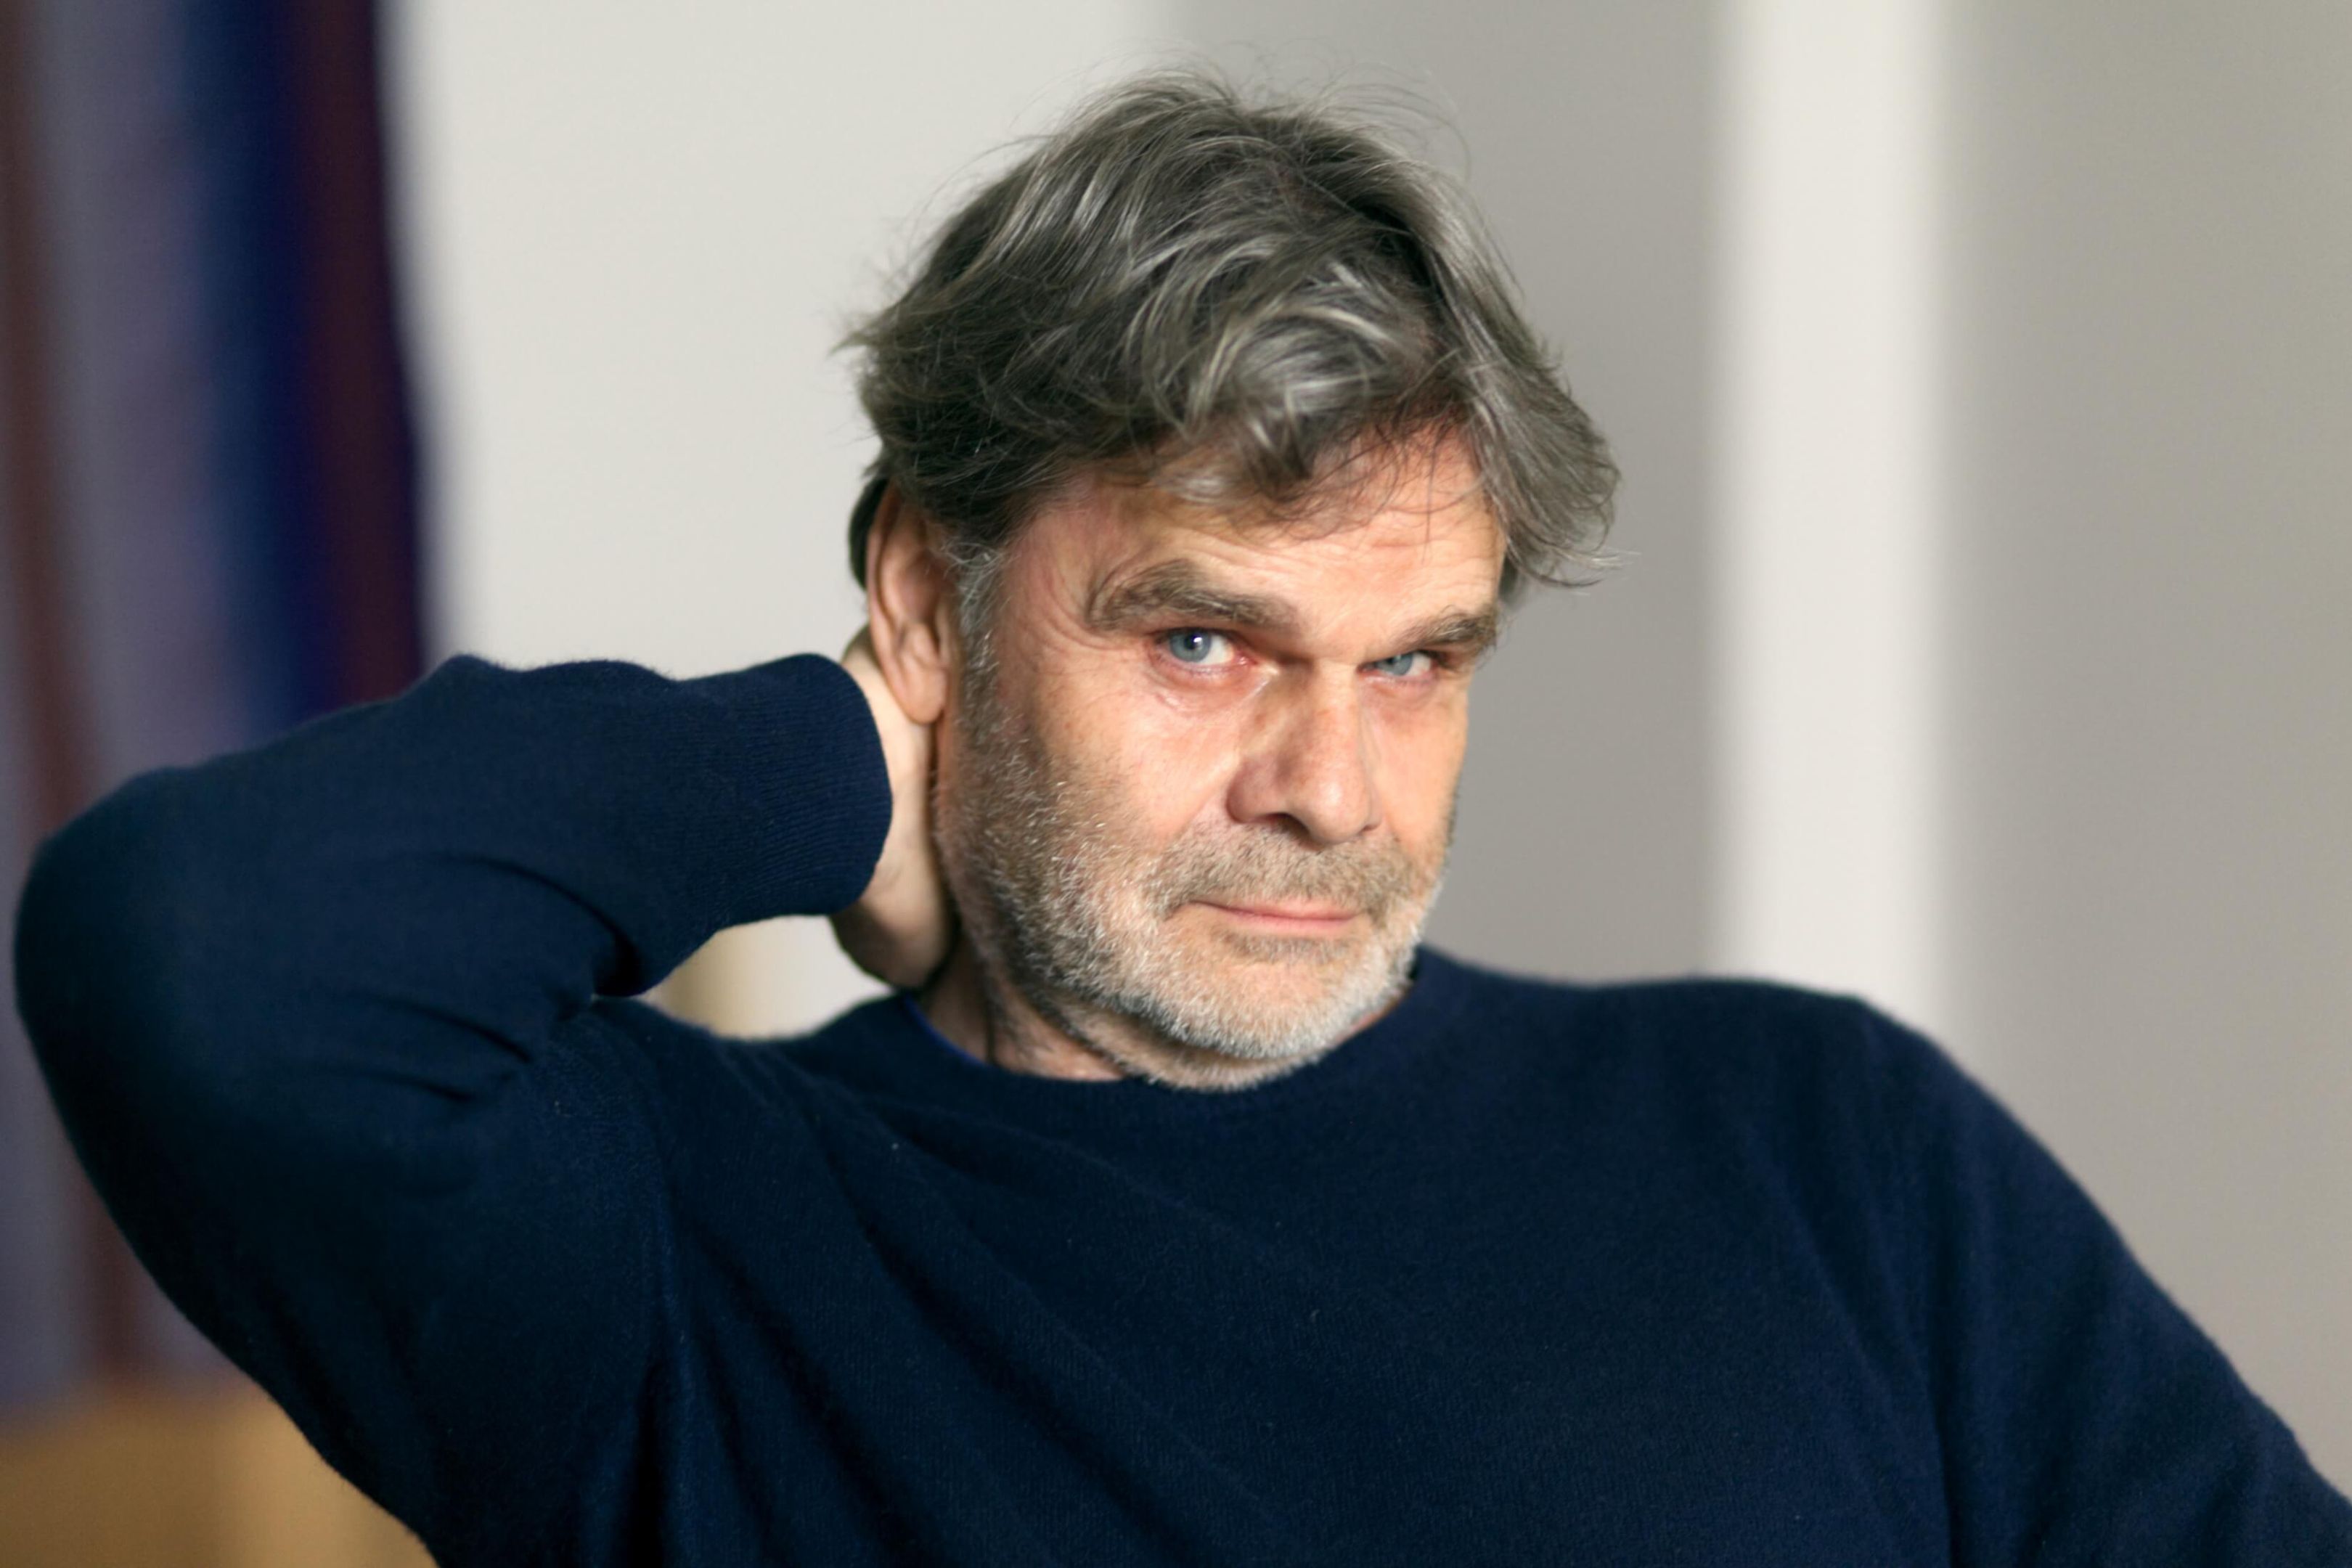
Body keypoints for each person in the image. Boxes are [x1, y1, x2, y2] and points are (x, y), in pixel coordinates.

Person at [12, 70, 2349, 1568]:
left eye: (1414, 662)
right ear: (930, 593)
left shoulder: (1821, 1143)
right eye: (1208, 643)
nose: (1328, 793)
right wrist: (837, 761)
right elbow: (200, 945)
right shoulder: (680, 1251)